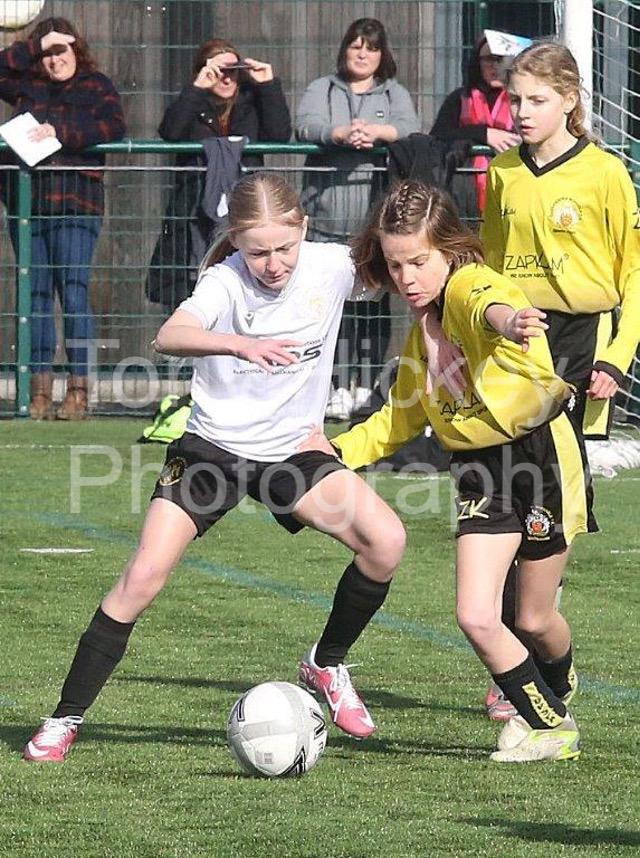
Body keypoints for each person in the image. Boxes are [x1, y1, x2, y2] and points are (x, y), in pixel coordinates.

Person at [22, 173, 407, 763]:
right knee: (142, 577)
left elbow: (409, 267)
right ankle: (63, 718)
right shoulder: (225, 281)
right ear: (237, 241)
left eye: (284, 248)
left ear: (304, 228)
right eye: (258, 252)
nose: (273, 264)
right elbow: (170, 335)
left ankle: (325, 664)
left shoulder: (331, 266)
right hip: (212, 452)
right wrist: (238, 344)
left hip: (290, 451)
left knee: (386, 541)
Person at [302, 180, 596, 762]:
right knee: (475, 614)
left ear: (449, 250)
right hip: (479, 470)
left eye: (418, 261)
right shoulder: (423, 336)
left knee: (534, 618)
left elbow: (485, 304)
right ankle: (551, 727)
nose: (407, 277)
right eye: (395, 265)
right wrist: (331, 452)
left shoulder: (469, 284)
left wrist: (509, 321)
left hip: (540, 456)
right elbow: (401, 418)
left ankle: (557, 687)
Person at [480, 42, 640, 719]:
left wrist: (616, 357)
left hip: (581, 345)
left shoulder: (605, 172)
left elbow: (632, 274)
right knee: (509, 487)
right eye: (515, 99)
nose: (521, 112)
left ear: (569, 101)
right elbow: (489, 266)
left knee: (548, 489)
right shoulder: (502, 172)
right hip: (518, 341)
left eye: (537, 100)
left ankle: (530, 639)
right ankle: (518, 647)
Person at [0, 17, 125, 420]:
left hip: (76, 205)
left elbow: (113, 127)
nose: (55, 61)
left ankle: (78, 391)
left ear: (76, 50)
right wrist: (31, 48)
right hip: (28, 207)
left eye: (61, 51)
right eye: (47, 54)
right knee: (34, 297)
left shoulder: (96, 85)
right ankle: (38, 392)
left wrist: (60, 132)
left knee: (73, 294)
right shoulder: (28, 86)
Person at [296, 18, 419, 401]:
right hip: (325, 220)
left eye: (372, 47)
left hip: (373, 222)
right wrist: (339, 134)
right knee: (329, 305)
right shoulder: (322, 88)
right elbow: (305, 125)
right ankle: (333, 385)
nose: (363, 54)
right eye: (356, 45)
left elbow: (410, 127)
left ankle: (366, 383)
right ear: (345, 49)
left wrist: (379, 133)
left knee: (373, 306)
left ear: (383, 55)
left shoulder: (394, 93)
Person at [151, 38, 292, 310]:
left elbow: (279, 133)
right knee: (193, 285)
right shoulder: (193, 103)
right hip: (193, 211)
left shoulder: (251, 102)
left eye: (233, 71)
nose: (226, 79)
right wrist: (197, 88)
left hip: (244, 209)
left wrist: (267, 85)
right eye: (219, 72)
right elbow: (170, 131)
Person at [430, 35, 520, 219]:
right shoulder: (460, 98)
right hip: (463, 194)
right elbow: (438, 136)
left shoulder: (521, 99)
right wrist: (483, 134)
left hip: (513, 190)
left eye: (501, 59)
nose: (495, 66)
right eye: (489, 59)